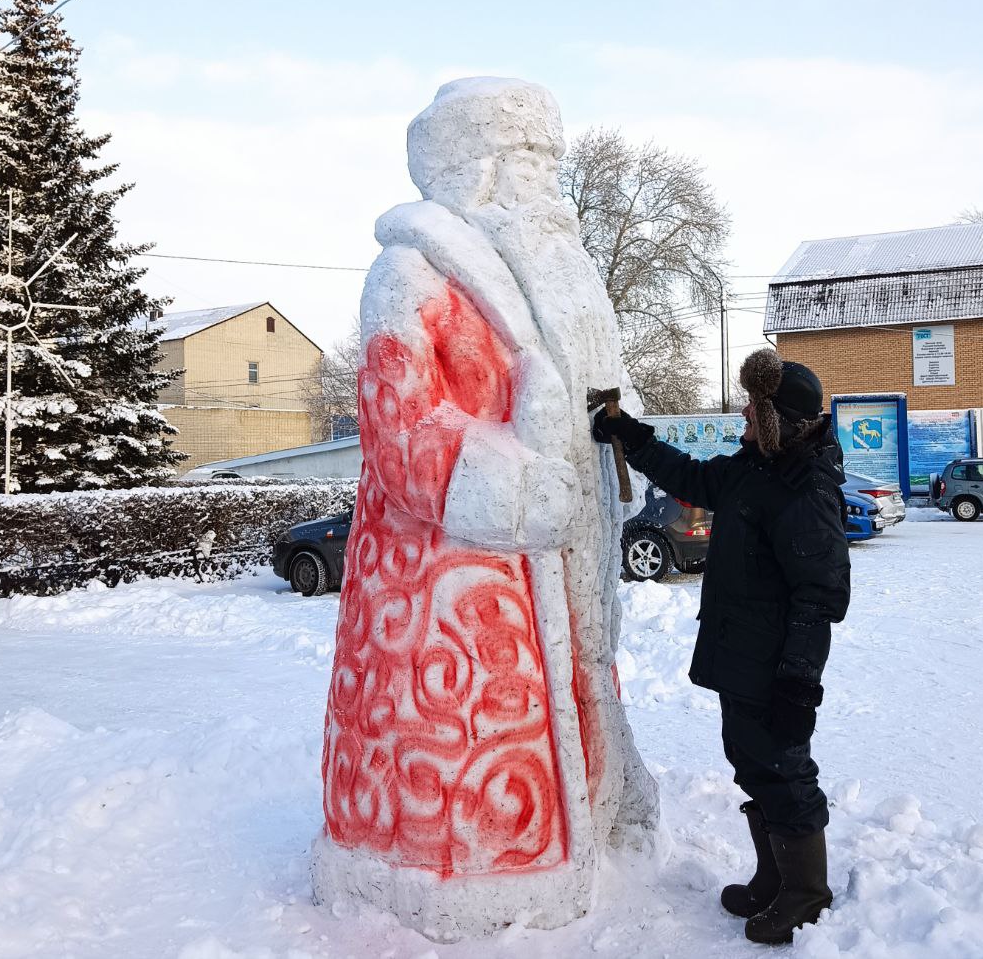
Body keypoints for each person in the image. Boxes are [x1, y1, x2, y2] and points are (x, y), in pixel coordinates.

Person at [313, 77, 659, 940]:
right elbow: (401, 427)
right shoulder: (406, 275)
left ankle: (597, 814)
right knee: (462, 745)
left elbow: (594, 396)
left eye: (551, 159)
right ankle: (458, 868)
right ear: (476, 169)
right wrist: (521, 486)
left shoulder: (554, 280)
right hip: (449, 596)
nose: (547, 182)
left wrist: (622, 434)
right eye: (528, 160)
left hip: (566, 572)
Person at [593, 347, 851, 945]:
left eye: (751, 414)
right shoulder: (754, 468)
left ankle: (806, 894)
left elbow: (821, 596)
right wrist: (629, 435)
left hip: (775, 665)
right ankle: (773, 877)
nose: (741, 423)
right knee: (753, 763)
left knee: (784, 769)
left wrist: (798, 680)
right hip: (741, 655)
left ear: (779, 420)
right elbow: (691, 477)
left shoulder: (804, 489)